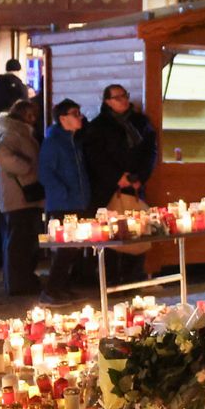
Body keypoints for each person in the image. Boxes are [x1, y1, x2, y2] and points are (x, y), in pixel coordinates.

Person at [84, 84, 158, 283]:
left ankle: (134, 277)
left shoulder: (141, 122)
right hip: (108, 188)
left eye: (125, 96)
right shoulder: (98, 126)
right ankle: (110, 280)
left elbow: (150, 151)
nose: (123, 100)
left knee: (137, 231)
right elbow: (95, 157)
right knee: (111, 234)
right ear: (107, 101)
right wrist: (117, 177)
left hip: (135, 186)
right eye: (117, 97)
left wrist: (140, 177)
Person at [38, 100, 91, 305]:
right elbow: (46, 172)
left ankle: (62, 287)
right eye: (75, 113)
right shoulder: (53, 142)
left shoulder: (73, 141)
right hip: (63, 203)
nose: (80, 117)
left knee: (74, 248)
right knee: (66, 248)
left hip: (77, 200)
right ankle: (51, 289)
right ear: (63, 118)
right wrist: (65, 193)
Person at [0, 99, 44, 296]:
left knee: (22, 240)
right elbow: (0, 155)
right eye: (30, 115)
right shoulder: (14, 133)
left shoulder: (19, 132)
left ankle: (22, 279)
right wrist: (25, 168)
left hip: (22, 194)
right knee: (19, 241)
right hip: (18, 195)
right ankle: (18, 282)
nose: (34, 119)